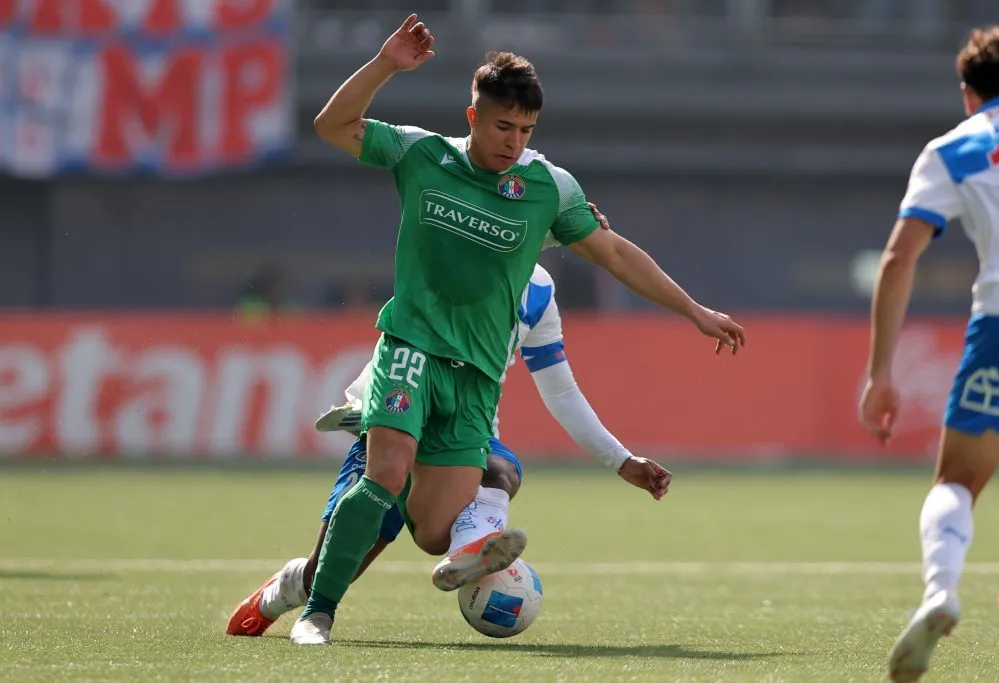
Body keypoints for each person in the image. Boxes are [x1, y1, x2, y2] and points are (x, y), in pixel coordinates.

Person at [294, 13, 744, 646]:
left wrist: (694, 311)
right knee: (385, 473)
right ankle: (319, 611)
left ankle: (326, 577)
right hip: (410, 349)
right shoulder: (422, 154)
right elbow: (331, 125)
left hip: (477, 379)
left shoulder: (548, 188)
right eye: (503, 125)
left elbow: (614, 254)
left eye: (526, 129)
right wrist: (387, 64)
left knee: (429, 531)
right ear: (474, 116)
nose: (514, 140)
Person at [226, 262, 673, 637]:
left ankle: (468, 551)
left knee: (502, 471)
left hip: (464, 428)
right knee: (324, 574)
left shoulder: (538, 292)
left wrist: (620, 459)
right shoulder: (454, 249)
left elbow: (560, 392)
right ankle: (290, 591)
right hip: (397, 416)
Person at [858, 25, 999, 682]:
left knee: (955, 482)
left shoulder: (953, 148)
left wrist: (880, 373)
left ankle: (940, 591)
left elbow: (900, 256)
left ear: (967, 94)